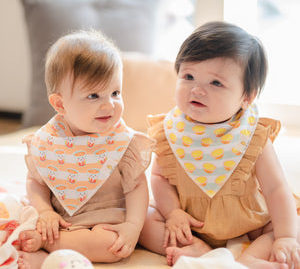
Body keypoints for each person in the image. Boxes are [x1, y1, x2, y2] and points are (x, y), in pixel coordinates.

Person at [139, 21, 300, 269]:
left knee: (290, 225)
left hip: (250, 224)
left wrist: (286, 237)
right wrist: (173, 213)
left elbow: (276, 189)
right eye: (189, 76)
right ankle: (202, 251)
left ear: (247, 97)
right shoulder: (168, 132)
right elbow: (159, 178)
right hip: (191, 224)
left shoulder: (253, 136)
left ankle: (246, 260)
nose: (197, 89)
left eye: (215, 83)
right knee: (143, 221)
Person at [17, 30, 155, 268]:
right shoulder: (47, 141)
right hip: (63, 220)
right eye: (94, 95)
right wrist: (45, 211)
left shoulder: (122, 141)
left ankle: (49, 249)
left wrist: (132, 226)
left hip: (111, 218)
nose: (109, 104)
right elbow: (36, 182)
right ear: (60, 104)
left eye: (115, 92)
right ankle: (48, 243)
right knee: (28, 218)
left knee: (122, 239)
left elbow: (138, 186)